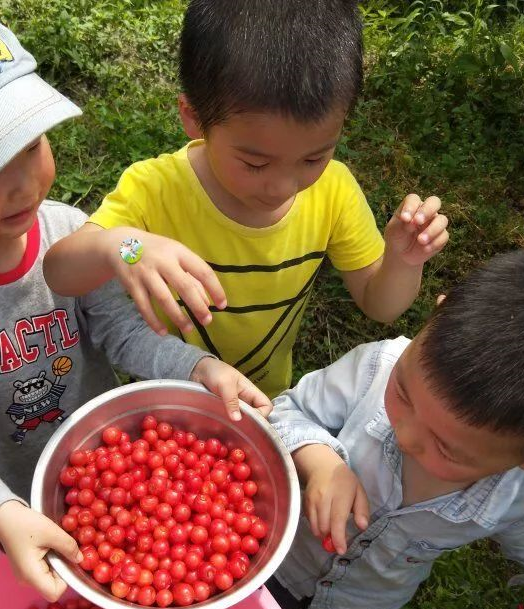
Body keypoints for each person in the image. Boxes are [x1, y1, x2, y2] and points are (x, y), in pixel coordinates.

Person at [0, 3, 270, 603]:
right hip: (11, 489)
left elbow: (124, 334)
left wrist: (199, 368)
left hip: (109, 468)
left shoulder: (68, 231)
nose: (24, 184)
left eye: (31, 145)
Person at [43, 0, 449, 400]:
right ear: (194, 118)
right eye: (255, 163)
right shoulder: (154, 189)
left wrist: (403, 262)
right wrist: (124, 246)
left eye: (314, 157)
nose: (282, 186)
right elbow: (61, 271)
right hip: (172, 390)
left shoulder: (334, 192)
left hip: (263, 395)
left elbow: (380, 305)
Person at [266, 250, 524, 609]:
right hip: (281, 558)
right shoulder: (375, 368)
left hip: (361, 606)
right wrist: (321, 462)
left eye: (446, 449)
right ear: (436, 314)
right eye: (403, 393)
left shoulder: (515, 497)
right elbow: (286, 411)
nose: (404, 434)